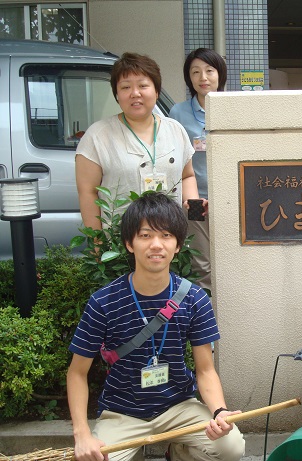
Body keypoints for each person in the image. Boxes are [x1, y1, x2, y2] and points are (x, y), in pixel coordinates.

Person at [67, 192, 244, 461]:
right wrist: (82, 435)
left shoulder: (194, 299)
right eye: (146, 235)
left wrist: (219, 412)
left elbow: (205, 370)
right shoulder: (103, 302)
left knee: (230, 448)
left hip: (179, 407)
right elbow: (77, 373)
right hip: (122, 412)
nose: (156, 245)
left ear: (178, 245)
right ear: (129, 243)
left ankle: (181, 451)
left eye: (166, 236)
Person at [75, 52, 203, 231]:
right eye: (126, 87)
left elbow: (187, 176)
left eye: (143, 85)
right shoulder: (97, 136)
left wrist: (194, 208)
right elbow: (88, 193)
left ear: (156, 91)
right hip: (119, 243)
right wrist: (98, 244)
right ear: (117, 94)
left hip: (168, 240)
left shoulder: (175, 129)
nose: (135, 93)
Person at [169, 48, 227, 292]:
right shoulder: (178, 112)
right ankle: (207, 314)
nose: (203, 77)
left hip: (229, 198)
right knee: (200, 261)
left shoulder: (232, 107)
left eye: (209, 71)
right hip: (194, 198)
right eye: (196, 72)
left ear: (220, 75)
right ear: (189, 78)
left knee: (229, 258)